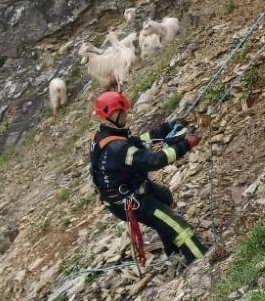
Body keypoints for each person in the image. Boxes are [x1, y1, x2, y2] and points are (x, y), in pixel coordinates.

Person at [89, 91, 208, 264]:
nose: (126, 114)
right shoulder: (118, 148)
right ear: (112, 115)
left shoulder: (105, 136)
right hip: (130, 201)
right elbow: (154, 161)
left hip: (128, 193)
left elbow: (141, 141)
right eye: (122, 112)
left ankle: (172, 251)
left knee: (164, 197)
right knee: (178, 226)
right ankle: (203, 262)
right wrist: (185, 145)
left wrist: (167, 127)